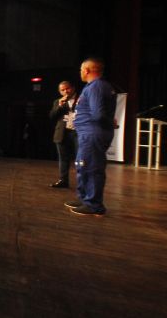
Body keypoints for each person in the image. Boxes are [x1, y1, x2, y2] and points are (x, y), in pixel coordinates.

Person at [66, 58, 116, 216]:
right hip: (88, 133)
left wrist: (109, 122)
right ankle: (84, 199)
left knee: (92, 168)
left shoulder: (97, 86)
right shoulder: (93, 86)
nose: (80, 72)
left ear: (87, 70)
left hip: (92, 133)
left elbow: (98, 114)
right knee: (83, 166)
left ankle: (94, 205)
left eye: (81, 69)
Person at [48, 81, 78, 188]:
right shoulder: (58, 101)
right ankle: (63, 180)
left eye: (67, 88)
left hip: (77, 132)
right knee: (63, 158)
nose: (66, 91)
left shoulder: (82, 99)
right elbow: (52, 116)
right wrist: (59, 106)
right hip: (62, 133)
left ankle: (82, 181)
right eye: (63, 90)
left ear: (73, 88)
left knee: (80, 158)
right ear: (60, 92)